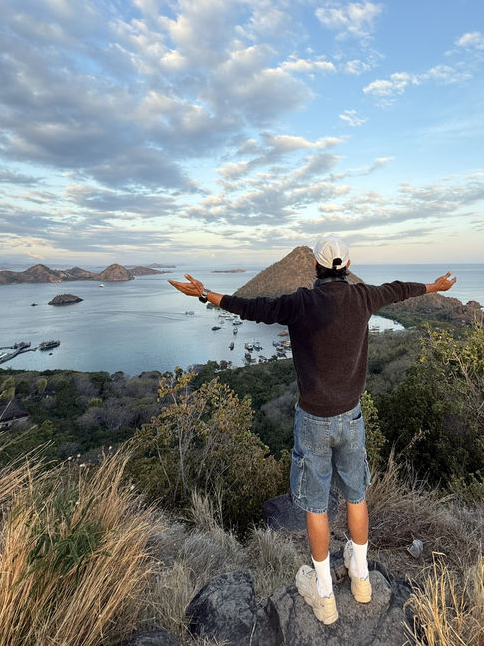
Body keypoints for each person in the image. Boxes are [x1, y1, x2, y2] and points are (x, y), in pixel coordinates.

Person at [169, 235, 456, 625]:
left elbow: (253, 308)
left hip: (313, 420)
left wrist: (206, 295)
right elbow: (399, 290)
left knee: (317, 505)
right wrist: (434, 286)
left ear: (316, 267)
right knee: (356, 496)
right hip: (352, 416)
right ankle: (361, 577)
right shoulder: (364, 298)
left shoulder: (302, 302)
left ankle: (323, 593)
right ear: (349, 264)